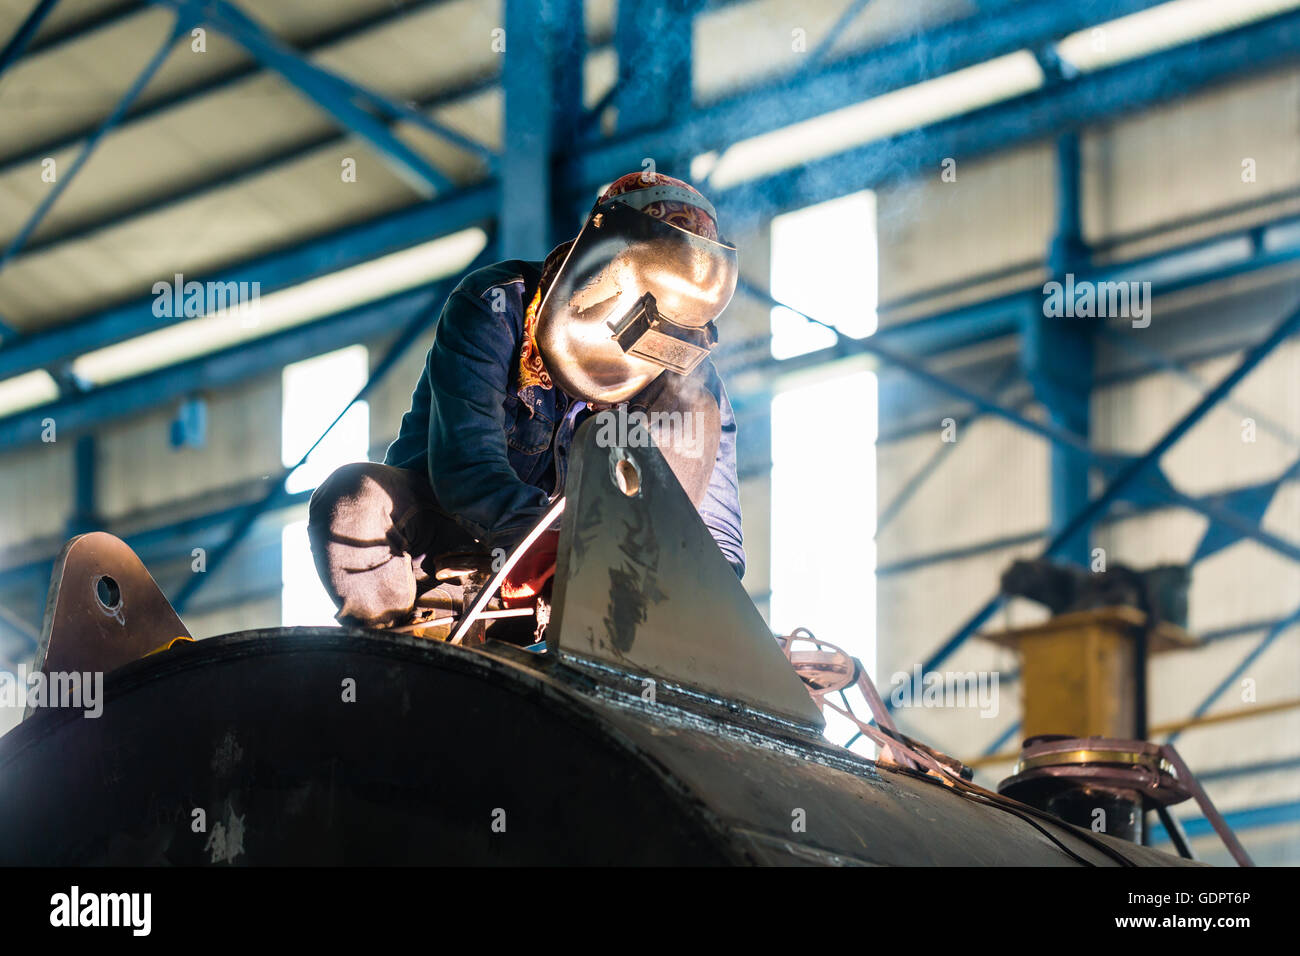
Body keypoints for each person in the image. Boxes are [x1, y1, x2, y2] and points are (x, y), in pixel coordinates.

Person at [307, 172, 744, 631]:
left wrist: (711, 618)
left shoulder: (690, 382)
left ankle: (615, 630)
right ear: (601, 267)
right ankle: (393, 648)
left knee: (690, 405)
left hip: (591, 586)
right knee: (353, 500)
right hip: (448, 548)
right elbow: (468, 467)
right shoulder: (496, 305)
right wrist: (553, 548)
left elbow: (716, 543)